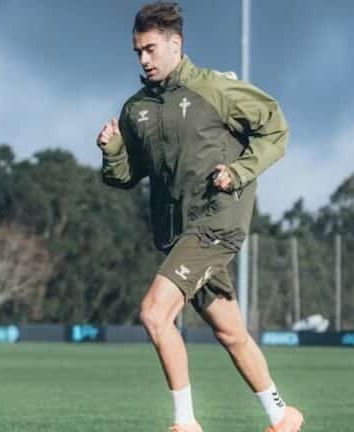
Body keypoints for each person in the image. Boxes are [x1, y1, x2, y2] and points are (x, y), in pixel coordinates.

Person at [97, 2, 303, 432]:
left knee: (155, 313)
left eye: (151, 49)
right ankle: (282, 416)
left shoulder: (215, 89)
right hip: (177, 233)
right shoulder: (136, 109)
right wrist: (113, 150)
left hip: (217, 221)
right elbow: (127, 176)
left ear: (176, 44)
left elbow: (276, 128)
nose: (144, 59)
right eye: (137, 51)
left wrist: (241, 171)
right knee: (231, 333)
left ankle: (185, 423)